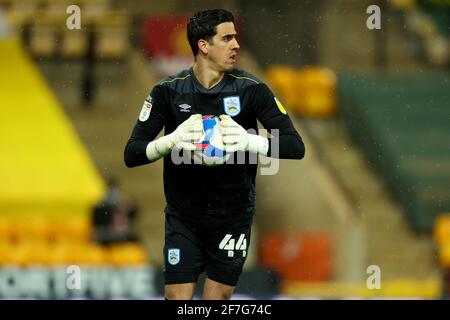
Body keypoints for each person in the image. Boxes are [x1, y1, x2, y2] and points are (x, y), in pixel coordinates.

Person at [124, 9, 305, 300]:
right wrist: (170, 141)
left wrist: (251, 140)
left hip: (232, 218)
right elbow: (132, 153)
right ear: (203, 45)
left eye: (236, 37)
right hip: (183, 218)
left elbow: (296, 147)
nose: (236, 45)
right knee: (176, 299)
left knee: (216, 300)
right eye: (227, 38)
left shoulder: (252, 90)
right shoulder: (168, 92)